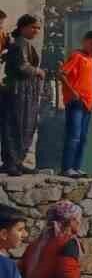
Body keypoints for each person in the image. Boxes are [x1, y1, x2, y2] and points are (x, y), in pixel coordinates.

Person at [1, 14, 45, 176]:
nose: (36, 31)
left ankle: (18, 161)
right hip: (18, 90)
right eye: (33, 27)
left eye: (38, 28)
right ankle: (11, 162)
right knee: (15, 126)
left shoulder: (25, 43)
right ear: (23, 27)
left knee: (26, 126)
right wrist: (38, 71)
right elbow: (22, 67)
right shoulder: (20, 43)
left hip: (26, 90)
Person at [59, 29, 92, 178]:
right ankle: (67, 167)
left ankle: (76, 167)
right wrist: (73, 92)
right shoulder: (77, 55)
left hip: (88, 104)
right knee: (73, 136)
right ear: (85, 41)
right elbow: (62, 74)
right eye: (91, 44)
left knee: (83, 138)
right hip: (76, 102)